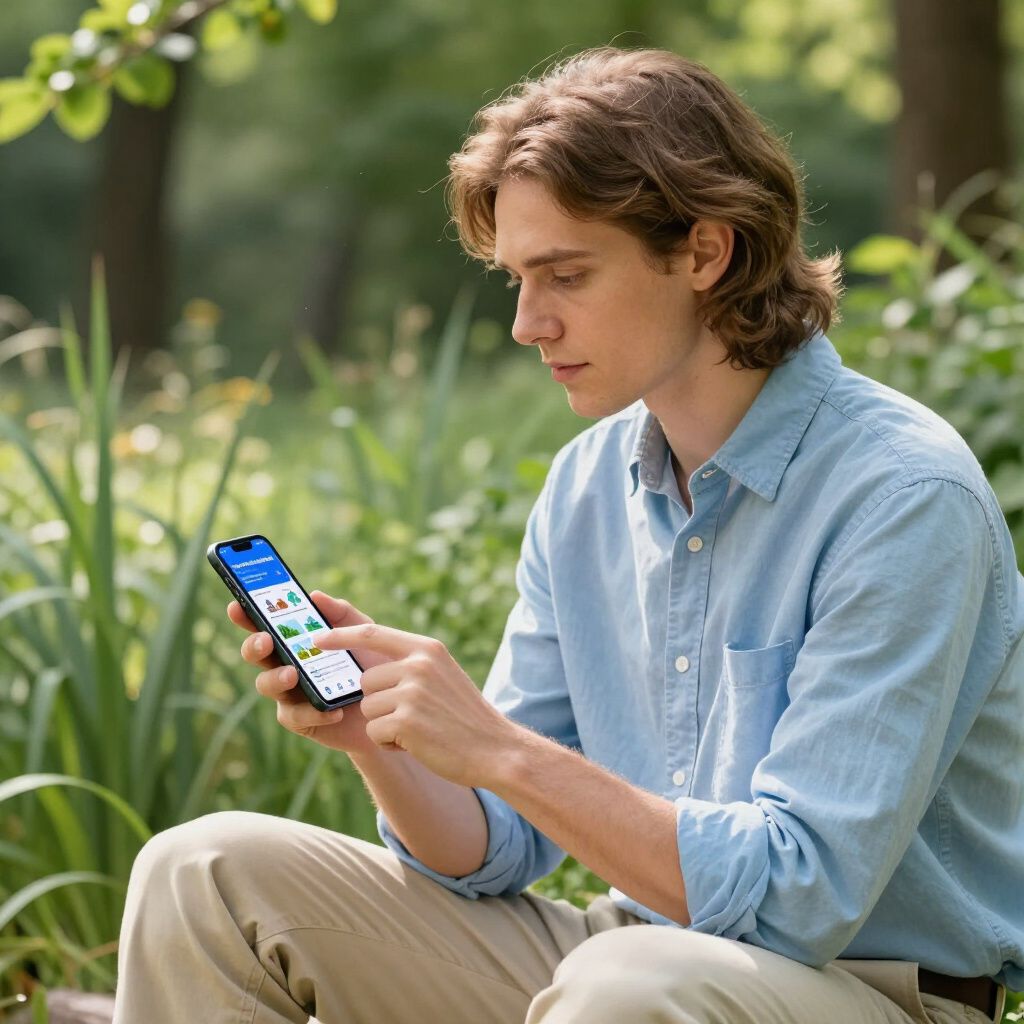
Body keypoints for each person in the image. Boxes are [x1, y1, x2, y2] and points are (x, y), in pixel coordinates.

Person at [112, 46, 1024, 1024]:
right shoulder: (588, 485)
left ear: (705, 253)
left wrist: (501, 750)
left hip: (869, 993)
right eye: (515, 279)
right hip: (632, 963)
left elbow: (798, 897)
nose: (526, 323)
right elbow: (494, 847)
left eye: (565, 275)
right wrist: (386, 740)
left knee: (622, 986)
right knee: (199, 872)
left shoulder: (900, 495)